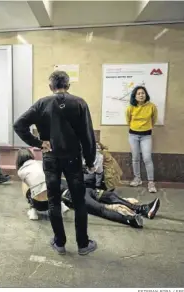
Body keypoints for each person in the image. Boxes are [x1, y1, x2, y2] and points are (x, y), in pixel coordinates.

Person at [14, 71, 97, 256]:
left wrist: (38, 143)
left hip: (50, 158)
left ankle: (59, 243)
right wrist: (90, 161)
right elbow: (87, 135)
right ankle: (83, 245)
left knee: (54, 200)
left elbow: (18, 125)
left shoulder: (42, 103)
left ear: (51, 87)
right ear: (68, 85)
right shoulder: (80, 103)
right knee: (79, 201)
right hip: (74, 158)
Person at [16, 148, 161, 228]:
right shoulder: (43, 166)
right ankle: (135, 215)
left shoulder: (26, 177)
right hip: (79, 190)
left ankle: (139, 213)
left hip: (75, 194)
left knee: (102, 208)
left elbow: (33, 198)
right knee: (109, 199)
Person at [16, 148, 69, 220]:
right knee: (52, 181)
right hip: (53, 201)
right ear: (31, 155)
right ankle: (61, 205)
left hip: (39, 204)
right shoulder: (40, 163)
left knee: (25, 182)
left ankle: (33, 210)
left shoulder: (20, 171)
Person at [126, 86, 158, 193]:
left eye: (143, 93)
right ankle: (137, 179)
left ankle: (151, 182)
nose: (141, 95)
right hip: (133, 135)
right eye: (138, 93)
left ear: (146, 95)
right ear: (135, 96)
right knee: (135, 158)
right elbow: (128, 120)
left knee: (147, 158)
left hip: (146, 136)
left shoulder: (152, 106)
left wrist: (146, 127)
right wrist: (136, 128)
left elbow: (154, 120)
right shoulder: (130, 107)